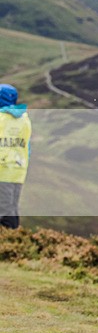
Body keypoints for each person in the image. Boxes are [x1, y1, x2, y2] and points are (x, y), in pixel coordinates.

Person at [0, 84, 31, 230]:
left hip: (2, 169)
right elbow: (27, 146)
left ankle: (8, 239)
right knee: (11, 207)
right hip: (18, 171)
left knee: (4, 212)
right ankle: (14, 238)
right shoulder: (24, 119)